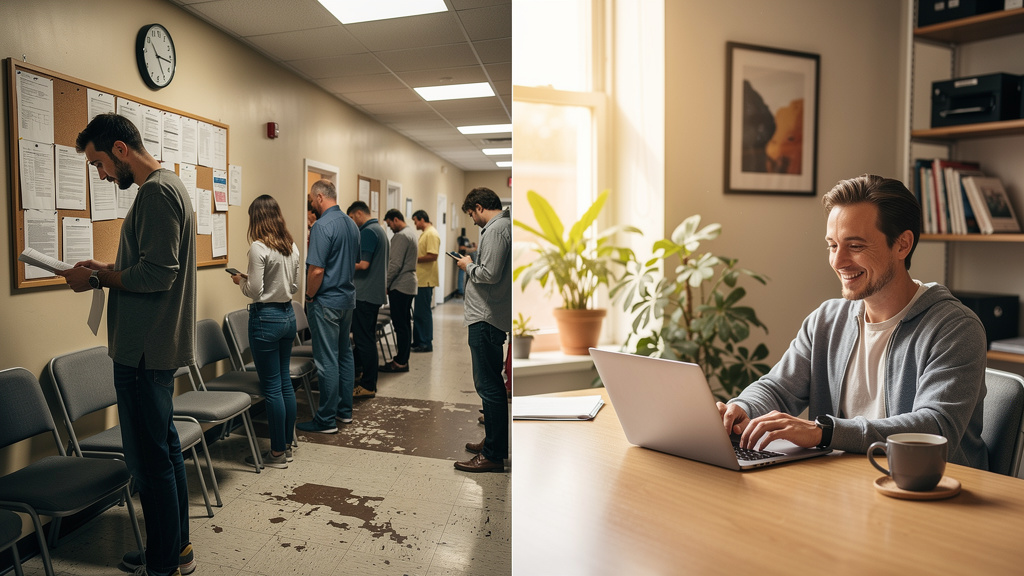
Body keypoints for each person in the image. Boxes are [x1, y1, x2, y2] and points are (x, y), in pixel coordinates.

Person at [718, 174, 988, 470]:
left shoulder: (955, 328)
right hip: (844, 488)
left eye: (855, 246)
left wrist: (825, 432)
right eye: (832, 245)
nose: (838, 261)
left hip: (930, 493)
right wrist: (742, 408)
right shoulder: (827, 320)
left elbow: (936, 427)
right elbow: (778, 389)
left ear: (902, 245)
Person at [59, 113, 196, 576]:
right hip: (153, 346)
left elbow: (158, 273)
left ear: (120, 150)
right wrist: (106, 264)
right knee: (166, 448)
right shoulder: (167, 186)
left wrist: (96, 276)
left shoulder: (156, 192)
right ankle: (175, 548)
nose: (99, 174)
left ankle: (162, 563)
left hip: (142, 350)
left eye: (99, 162)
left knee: (150, 459)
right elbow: (147, 263)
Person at [231, 194, 300, 468]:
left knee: (272, 388)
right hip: (287, 315)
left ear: (255, 219)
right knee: (284, 383)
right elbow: (292, 287)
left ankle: (276, 454)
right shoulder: (291, 247)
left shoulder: (258, 248)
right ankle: (287, 447)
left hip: (266, 320)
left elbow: (255, 292)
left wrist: (240, 281)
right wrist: (272, 284)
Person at [453, 188, 511, 473]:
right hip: (485, 316)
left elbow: (490, 274)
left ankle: (494, 454)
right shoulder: (499, 228)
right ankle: (492, 441)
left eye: (472, 215)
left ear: (478, 207)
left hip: (486, 318)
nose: (473, 221)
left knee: (489, 387)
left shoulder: (497, 229)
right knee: (489, 385)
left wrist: (467, 265)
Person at [297, 179, 360, 434]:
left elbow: (317, 270)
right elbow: (354, 262)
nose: (312, 204)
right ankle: (344, 412)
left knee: (327, 360)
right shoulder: (352, 225)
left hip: (326, 301)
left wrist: (310, 296)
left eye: (312, 200)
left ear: (320, 197)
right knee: (344, 354)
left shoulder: (323, 226)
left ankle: (325, 420)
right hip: (346, 300)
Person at [347, 201, 389, 398]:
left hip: (364, 294)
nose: (352, 223)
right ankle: (366, 377)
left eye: (351, 219)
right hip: (373, 293)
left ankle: (368, 385)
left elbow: (363, 264)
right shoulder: (379, 230)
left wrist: (342, 264)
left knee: (364, 341)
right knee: (367, 339)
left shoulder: (368, 232)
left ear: (357, 214)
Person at [380, 209, 418, 373]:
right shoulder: (411, 232)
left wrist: (385, 284)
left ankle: (401, 362)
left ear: (396, 220)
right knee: (404, 325)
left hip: (401, 285)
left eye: (389, 224)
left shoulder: (401, 236)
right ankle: (402, 359)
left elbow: (394, 264)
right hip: (408, 284)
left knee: (400, 326)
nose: (390, 228)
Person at [411, 210, 440, 353]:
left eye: (415, 221)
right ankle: (418, 341)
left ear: (422, 219)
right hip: (421, 279)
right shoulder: (426, 233)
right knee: (419, 313)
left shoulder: (431, 234)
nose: (415, 224)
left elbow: (433, 256)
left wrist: (413, 258)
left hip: (426, 280)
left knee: (423, 313)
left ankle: (425, 343)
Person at [456, 227, 476, 297]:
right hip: (461, 257)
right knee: (461, 275)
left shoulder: (466, 239)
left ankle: (463, 290)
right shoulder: (461, 239)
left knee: (465, 275)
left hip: (466, 257)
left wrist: (471, 246)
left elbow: (466, 247)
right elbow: (461, 248)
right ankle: (460, 290)